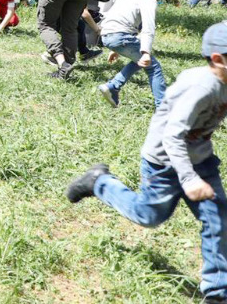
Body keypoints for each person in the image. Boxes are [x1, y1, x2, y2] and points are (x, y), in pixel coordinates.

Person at [67, 23, 227, 303]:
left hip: (201, 161)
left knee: (218, 220)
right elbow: (172, 136)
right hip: (164, 161)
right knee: (149, 215)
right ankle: (99, 182)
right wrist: (188, 179)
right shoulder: (201, 87)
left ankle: (217, 292)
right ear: (218, 59)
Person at [96, 0, 176, 108]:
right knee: (154, 68)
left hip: (107, 34)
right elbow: (148, 28)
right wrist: (145, 51)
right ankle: (163, 109)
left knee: (139, 61)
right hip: (120, 36)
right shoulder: (150, 0)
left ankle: (114, 86)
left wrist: (114, 48)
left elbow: (119, 19)